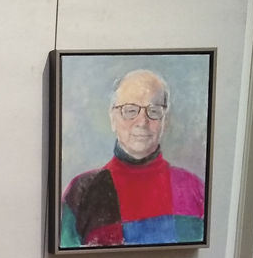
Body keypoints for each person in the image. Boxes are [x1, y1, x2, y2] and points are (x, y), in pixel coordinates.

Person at [60, 69, 206, 248]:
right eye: (130, 110)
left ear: (165, 120)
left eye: (153, 110)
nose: (142, 122)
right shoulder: (81, 193)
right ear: (113, 118)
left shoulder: (194, 189)